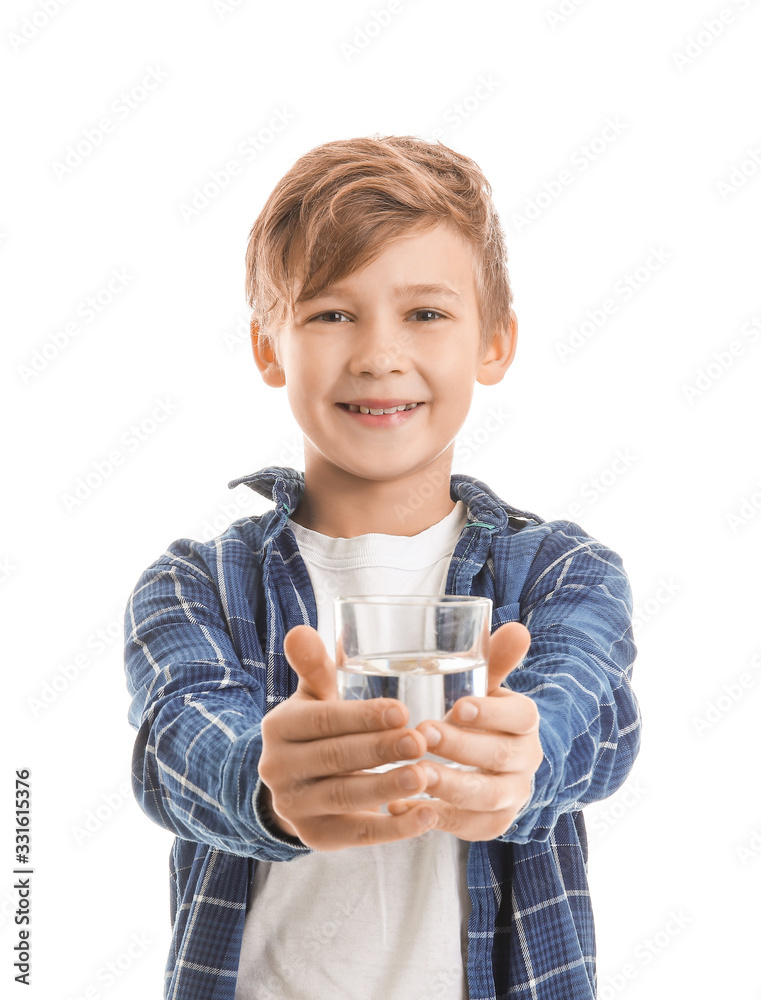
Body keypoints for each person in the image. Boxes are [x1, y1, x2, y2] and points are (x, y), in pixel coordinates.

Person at [124, 135, 641, 1000]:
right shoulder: (192, 584)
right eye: (331, 313)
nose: (376, 354)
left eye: (425, 314)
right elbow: (174, 749)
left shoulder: (563, 573)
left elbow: (596, 719)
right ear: (268, 347)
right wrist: (267, 782)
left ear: (494, 343)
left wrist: (523, 756)